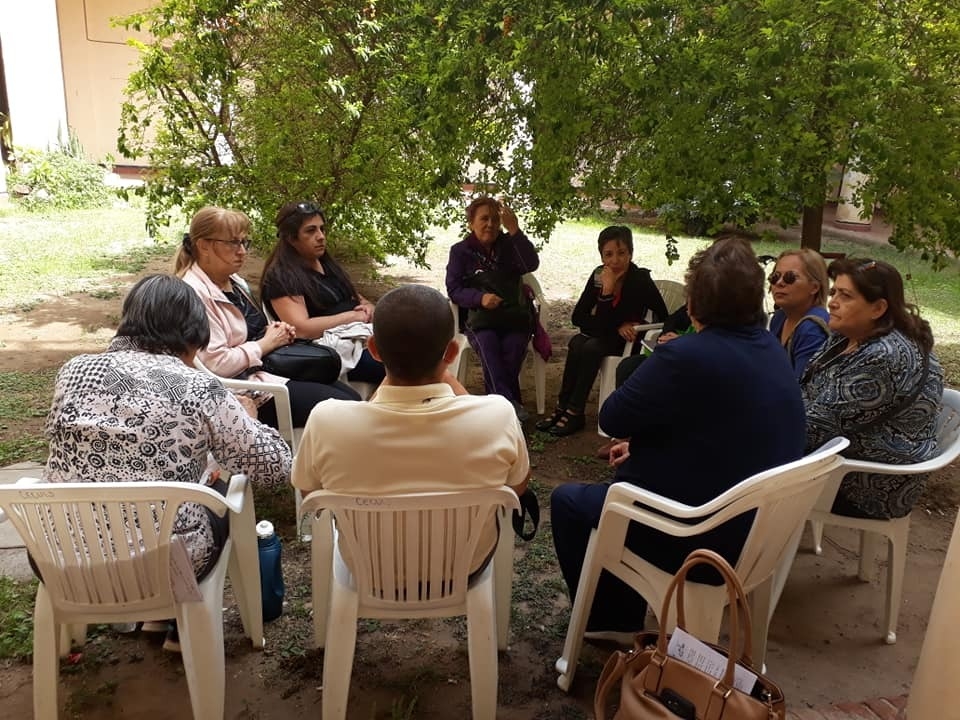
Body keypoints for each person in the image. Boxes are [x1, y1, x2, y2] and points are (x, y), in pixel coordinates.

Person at [551, 237, 806, 640]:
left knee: (569, 502)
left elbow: (612, 415)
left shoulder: (685, 355)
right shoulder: (771, 350)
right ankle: (618, 616)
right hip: (759, 537)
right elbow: (720, 427)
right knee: (615, 488)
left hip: (699, 538)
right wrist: (641, 445)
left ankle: (611, 623)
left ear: (693, 304)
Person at [43, 274, 293, 650]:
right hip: (162, 565)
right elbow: (275, 467)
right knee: (216, 485)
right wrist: (248, 419)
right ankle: (176, 620)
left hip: (63, 556)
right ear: (194, 334)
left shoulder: (73, 373)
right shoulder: (197, 388)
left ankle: (157, 619)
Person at [292, 284, 530, 572]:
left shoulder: (326, 421)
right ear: (452, 352)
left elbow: (310, 493)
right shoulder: (498, 416)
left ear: (374, 350)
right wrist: (445, 377)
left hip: (370, 570)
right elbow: (517, 487)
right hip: (463, 568)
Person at [177, 206, 360, 428]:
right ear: (203, 245)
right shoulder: (193, 294)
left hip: (266, 372)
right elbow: (216, 364)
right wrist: (265, 343)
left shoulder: (234, 282)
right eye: (233, 243)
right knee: (347, 408)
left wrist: (277, 331)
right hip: (241, 391)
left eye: (244, 242)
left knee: (353, 399)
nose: (242, 251)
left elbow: (250, 330)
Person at [802, 258, 944, 519]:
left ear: (878, 308)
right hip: (838, 457)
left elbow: (813, 430)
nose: (832, 302)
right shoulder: (848, 334)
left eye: (845, 296)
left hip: (868, 484)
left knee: (746, 463)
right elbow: (806, 388)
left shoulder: (883, 357)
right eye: (834, 292)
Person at [536, 225, 667, 436]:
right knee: (577, 342)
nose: (615, 260)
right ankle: (562, 406)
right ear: (602, 256)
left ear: (630, 253)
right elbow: (578, 317)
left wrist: (627, 319)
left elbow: (663, 314)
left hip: (629, 341)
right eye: (609, 254)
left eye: (621, 253)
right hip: (607, 334)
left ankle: (575, 411)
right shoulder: (599, 276)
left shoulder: (639, 280)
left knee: (592, 347)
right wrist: (609, 301)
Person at [260, 201, 385, 385]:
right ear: (291, 238)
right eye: (310, 231)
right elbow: (301, 328)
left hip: (360, 337)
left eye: (322, 229)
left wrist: (368, 307)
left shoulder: (324, 262)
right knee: (402, 363)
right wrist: (353, 317)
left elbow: (354, 297)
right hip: (328, 353)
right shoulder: (281, 276)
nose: (320, 236)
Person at [445, 196, 540, 420]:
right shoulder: (460, 251)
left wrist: (515, 230)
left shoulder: (509, 244)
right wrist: (480, 298)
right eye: (484, 219)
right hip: (480, 319)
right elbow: (454, 289)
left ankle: (500, 406)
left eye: (495, 220)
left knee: (513, 346)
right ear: (471, 223)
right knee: (488, 344)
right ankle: (509, 405)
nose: (490, 224)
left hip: (513, 316)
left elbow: (530, 264)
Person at [767, 249, 830, 379]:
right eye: (775, 277)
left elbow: (800, 385)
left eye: (790, 277)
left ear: (814, 287)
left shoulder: (812, 330)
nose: (779, 283)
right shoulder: (779, 317)